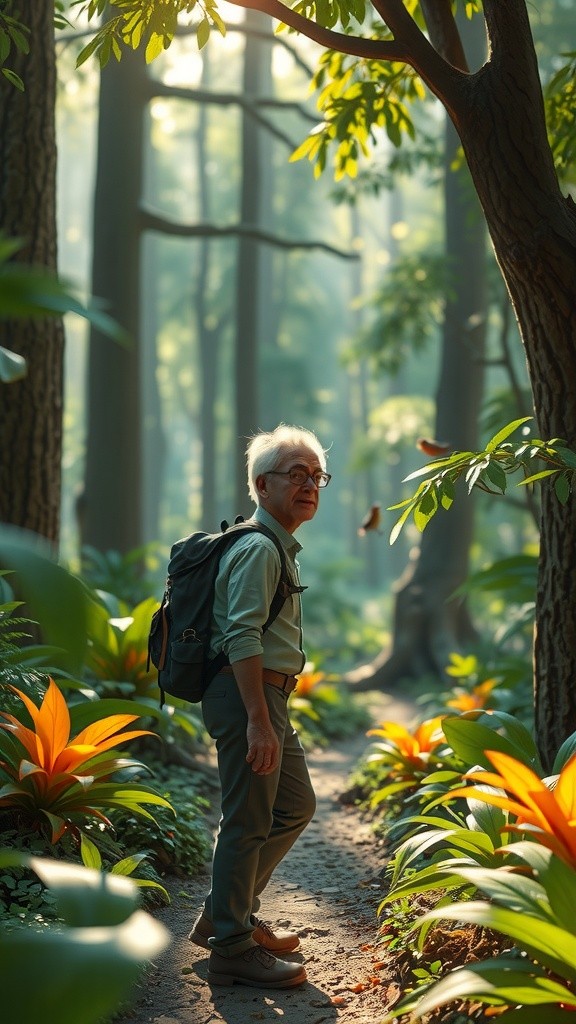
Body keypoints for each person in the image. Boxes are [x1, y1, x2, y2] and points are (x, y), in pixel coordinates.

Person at [189, 424, 331, 989]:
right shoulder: (256, 547)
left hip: (265, 694)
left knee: (293, 805)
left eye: (316, 476)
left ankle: (227, 915)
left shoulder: (276, 547)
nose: (309, 486)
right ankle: (231, 947)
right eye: (295, 475)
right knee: (247, 820)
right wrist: (256, 721)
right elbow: (241, 636)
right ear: (260, 484)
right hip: (246, 693)